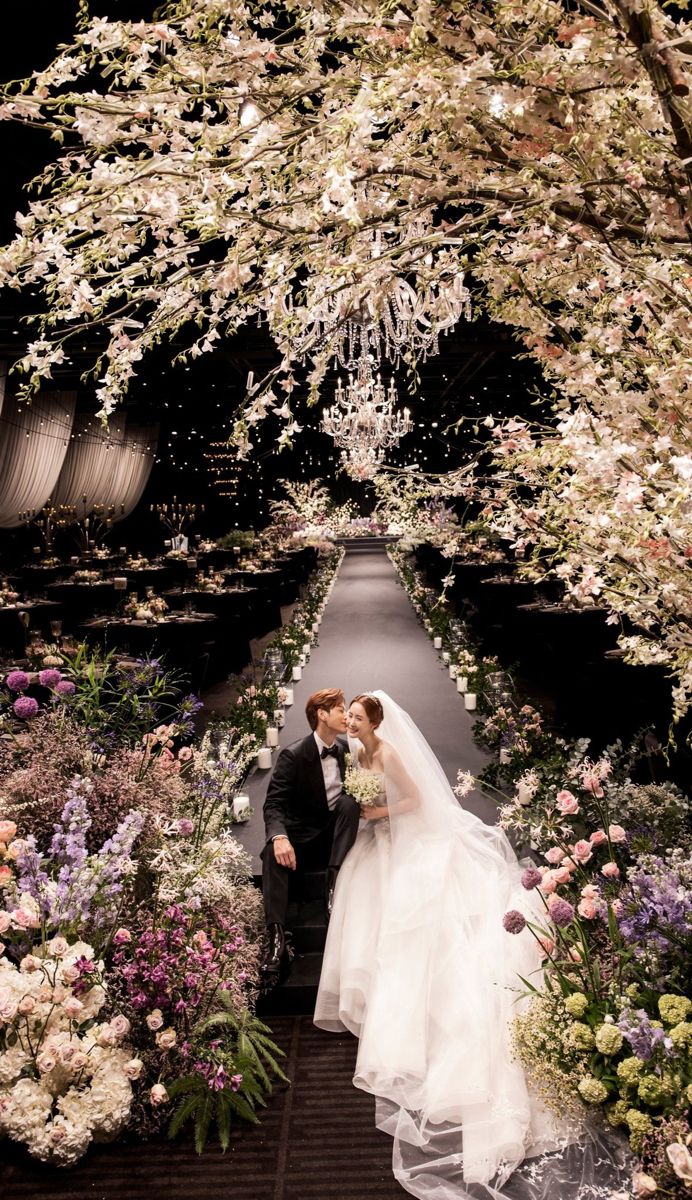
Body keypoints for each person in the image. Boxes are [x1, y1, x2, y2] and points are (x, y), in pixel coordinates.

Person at [315, 692, 629, 1200]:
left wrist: (377, 812)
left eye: (355, 716)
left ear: (375, 720)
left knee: (415, 919)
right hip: (382, 840)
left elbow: (414, 800)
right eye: (346, 715)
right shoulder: (357, 751)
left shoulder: (389, 752)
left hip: (409, 837)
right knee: (369, 901)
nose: (348, 721)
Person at [260, 687, 360, 984]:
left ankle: (332, 886)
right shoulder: (293, 755)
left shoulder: (345, 751)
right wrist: (279, 837)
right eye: (341, 709)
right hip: (301, 839)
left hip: (333, 840)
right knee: (270, 852)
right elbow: (273, 804)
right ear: (322, 714)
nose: (346, 715)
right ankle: (277, 941)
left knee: (349, 802)